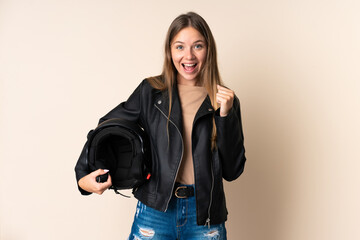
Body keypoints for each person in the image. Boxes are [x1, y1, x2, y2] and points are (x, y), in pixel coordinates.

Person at [75, 12, 246, 240]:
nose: (189, 56)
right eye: (180, 47)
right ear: (170, 51)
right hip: (155, 211)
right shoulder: (151, 92)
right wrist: (83, 175)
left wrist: (225, 116)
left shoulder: (225, 100)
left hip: (204, 215)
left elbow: (233, 171)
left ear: (208, 50)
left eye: (197, 46)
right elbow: (107, 127)